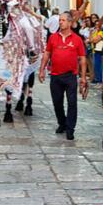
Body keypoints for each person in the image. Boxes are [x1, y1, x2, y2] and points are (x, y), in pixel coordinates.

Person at [39, 11, 88, 140]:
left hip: (70, 76)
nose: (60, 22)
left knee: (72, 103)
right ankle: (62, 123)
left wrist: (83, 77)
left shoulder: (77, 39)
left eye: (63, 20)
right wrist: (41, 69)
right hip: (55, 75)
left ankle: (70, 129)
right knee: (57, 103)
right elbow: (47, 54)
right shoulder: (53, 37)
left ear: (70, 23)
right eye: (60, 20)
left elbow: (82, 59)